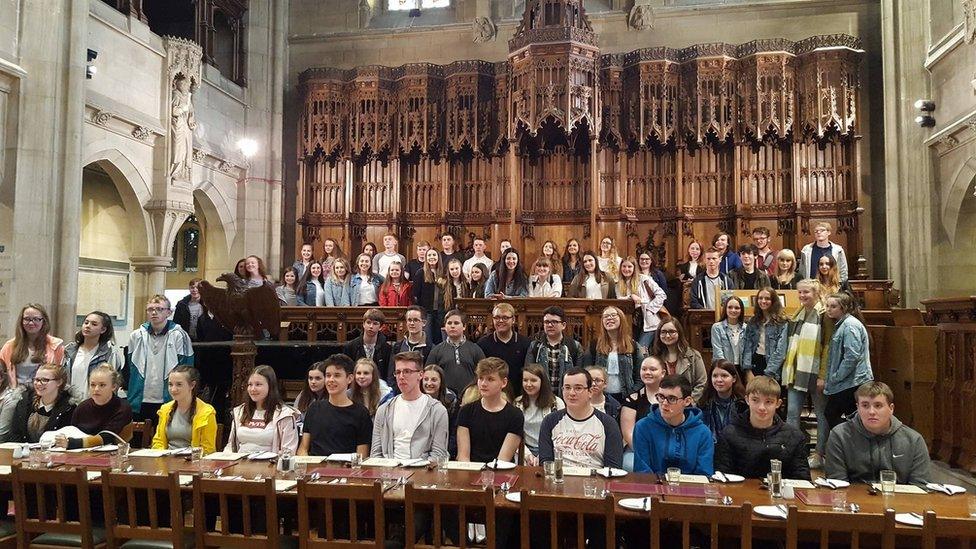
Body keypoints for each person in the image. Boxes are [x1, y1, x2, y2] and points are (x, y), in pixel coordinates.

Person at [766, 278, 833, 468]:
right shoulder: (797, 314)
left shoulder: (824, 315)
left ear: (816, 293)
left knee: (821, 415)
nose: (803, 296)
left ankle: (820, 454)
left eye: (807, 292)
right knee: (792, 413)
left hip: (815, 372)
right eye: (800, 292)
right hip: (797, 371)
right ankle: (793, 453)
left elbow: (827, 346)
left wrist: (822, 375)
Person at [825, 381, 930, 485]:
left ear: (891, 408)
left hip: (899, 500)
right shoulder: (840, 436)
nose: (871, 412)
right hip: (853, 500)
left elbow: (920, 488)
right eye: (865, 405)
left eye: (878, 406)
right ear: (858, 408)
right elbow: (837, 484)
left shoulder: (913, 440)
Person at [715, 376, 810, 480]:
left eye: (768, 402)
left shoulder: (794, 437)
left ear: (778, 404)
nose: (761, 407)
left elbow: (803, 481)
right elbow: (722, 478)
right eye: (755, 400)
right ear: (747, 400)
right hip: (739, 494)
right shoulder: (729, 434)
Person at [125, 295, 194, 422]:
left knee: (166, 438)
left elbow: (187, 369)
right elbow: (131, 366)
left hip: (169, 398)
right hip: (140, 398)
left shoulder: (179, 335)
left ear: (169, 312)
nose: (154, 312)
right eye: (150, 309)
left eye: (159, 309)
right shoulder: (136, 335)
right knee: (139, 439)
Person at [539, 367, 624, 468]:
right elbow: (546, 463)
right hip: (559, 479)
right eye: (567, 387)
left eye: (578, 388)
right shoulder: (549, 421)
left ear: (590, 392)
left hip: (595, 481)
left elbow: (613, 468)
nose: (571, 393)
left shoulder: (608, 423)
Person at [370, 351, 449, 460]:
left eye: (407, 371)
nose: (401, 377)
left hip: (422, 473)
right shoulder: (384, 410)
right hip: (389, 472)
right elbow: (376, 453)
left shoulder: (437, 410)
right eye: (398, 372)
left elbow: (438, 454)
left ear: (420, 375)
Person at [632, 375, 713, 475]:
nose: (664, 403)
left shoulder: (703, 433)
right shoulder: (643, 427)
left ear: (687, 401)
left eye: (672, 399)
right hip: (654, 487)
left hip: (690, 488)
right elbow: (642, 471)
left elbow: (704, 474)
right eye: (661, 397)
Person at [298, 354, 372, 458]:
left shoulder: (361, 413)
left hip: (345, 469)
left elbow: (361, 455)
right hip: (315, 469)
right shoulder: (314, 408)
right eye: (328, 375)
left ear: (350, 378)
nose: (331, 380)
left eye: (337, 375)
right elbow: (303, 449)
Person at [456, 357, 523, 463]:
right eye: (481, 378)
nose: (483, 383)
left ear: (503, 382)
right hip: (471, 471)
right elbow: (463, 457)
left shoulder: (515, 415)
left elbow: (503, 459)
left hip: (501, 472)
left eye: (490, 379)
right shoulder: (466, 411)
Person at [823, 292, 873, 429]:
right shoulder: (842, 324)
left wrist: (837, 376)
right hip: (847, 381)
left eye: (833, 306)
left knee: (832, 414)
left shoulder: (850, 326)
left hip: (852, 381)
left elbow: (852, 356)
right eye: (827, 306)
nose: (828, 309)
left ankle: (853, 442)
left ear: (843, 308)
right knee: (847, 416)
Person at [55, 363, 134, 449]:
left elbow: (107, 437)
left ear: (113, 386)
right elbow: (73, 431)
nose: (96, 389)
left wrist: (73, 443)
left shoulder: (122, 407)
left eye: (102, 385)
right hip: (81, 453)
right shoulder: (82, 407)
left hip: (114, 454)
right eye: (92, 385)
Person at [224, 365, 299, 454]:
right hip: (240, 465)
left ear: (270, 386)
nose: (252, 389)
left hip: (270, 465)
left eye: (258, 384)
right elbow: (230, 446)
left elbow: (288, 451)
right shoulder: (239, 411)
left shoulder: (285, 414)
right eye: (250, 384)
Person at [150, 365, 217, 454]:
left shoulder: (207, 412)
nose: (173, 389)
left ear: (192, 385)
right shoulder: (165, 409)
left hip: (193, 462)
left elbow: (208, 449)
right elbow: (158, 442)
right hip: (167, 460)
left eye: (179, 384)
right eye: (170, 384)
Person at [584, 305, 644, 403]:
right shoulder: (594, 346)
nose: (609, 318)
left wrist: (633, 392)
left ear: (621, 318)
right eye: (606, 316)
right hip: (600, 397)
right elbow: (585, 372)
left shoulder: (633, 346)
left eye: (613, 315)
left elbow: (640, 375)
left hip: (627, 397)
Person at [63, 311, 123, 401]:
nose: (88, 326)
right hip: (71, 403)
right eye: (86, 322)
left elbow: (112, 381)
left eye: (94, 324)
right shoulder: (70, 350)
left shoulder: (109, 353)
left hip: (95, 403)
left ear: (103, 329)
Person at [1, 304, 65, 387]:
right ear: (21, 321)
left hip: (44, 395)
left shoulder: (56, 346)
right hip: (15, 395)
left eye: (36, 319)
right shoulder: (9, 346)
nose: (31, 323)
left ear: (44, 321)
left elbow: (61, 376)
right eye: (27, 319)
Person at [10, 363, 74, 443]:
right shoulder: (24, 402)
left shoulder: (69, 408)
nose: (39, 384)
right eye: (36, 379)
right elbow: (15, 434)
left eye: (45, 380)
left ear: (59, 382)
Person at [525, 306, 582, 396]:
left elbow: (580, 376)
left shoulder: (574, 346)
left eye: (554, 322)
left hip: (566, 396)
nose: (550, 325)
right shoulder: (535, 346)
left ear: (563, 325)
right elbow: (529, 374)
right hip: (541, 397)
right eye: (547, 322)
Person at [620, 356, 665, 471]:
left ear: (663, 373)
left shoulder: (671, 399)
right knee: (629, 464)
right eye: (644, 369)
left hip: (667, 447)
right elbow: (628, 433)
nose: (647, 372)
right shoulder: (632, 399)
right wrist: (645, 454)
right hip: (637, 449)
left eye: (653, 369)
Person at [477, 303, 530, 397]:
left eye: (505, 318)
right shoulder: (483, 343)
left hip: (519, 395)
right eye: (497, 317)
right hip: (492, 395)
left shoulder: (525, 343)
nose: (500, 321)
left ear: (513, 320)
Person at [426, 310, 485, 395]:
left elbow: (483, 374)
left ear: (464, 326)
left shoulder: (475, 349)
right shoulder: (436, 351)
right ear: (445, 326)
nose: (452, 326)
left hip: (470, 397)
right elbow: (428, 375)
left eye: (456, 323)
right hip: (444, 397)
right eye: (449, 323)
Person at [514, 363, 564, 465]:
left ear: (542, 381)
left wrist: (543, 454)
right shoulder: (517, 403)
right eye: (525, 380)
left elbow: (561, 434)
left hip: (550, 450)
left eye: (533, 380)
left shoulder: (556, 403)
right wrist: (528, 456)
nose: (528, 384)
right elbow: (515, 434)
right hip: (523, 451)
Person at [617, 257, 667, 352]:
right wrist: (631, 296)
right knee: (630, 350)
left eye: (629, 266)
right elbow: (619, 299)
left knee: (640, 350)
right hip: (630, 323)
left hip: (648, 322)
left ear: (634, 267)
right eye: (624, 266)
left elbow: (661, 294)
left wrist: (649, 308)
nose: (626, 269)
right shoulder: (619, 283)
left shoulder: (644, 279)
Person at [650, 319, 707, 401]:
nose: (667, 336)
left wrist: (689, 402)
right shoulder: (656, 358)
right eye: (663, 332)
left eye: (671, 331)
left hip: (687, 405)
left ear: (679, 333)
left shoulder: (693, 356)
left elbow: (702, 383)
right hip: (663, 405)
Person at [741, 287, 789, 382]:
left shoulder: (782, 322)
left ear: (773, 301)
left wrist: (769, 373)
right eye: (760, 298)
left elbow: (780, 351)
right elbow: (747, 346)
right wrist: (748, 370)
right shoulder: (753, 321)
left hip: (772, 367)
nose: (763, 301)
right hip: (755, 363)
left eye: (767, 298)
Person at [697, 360, 746, 443]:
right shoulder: (703, 404)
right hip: (710, 449)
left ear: (734, 378)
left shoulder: (743, 405)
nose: (719, 380)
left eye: (724, 375)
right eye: (715, 376)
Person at [343, 308, 392, 381]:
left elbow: (388, 373)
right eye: (368, 322)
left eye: (375, 323)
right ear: (363, 324)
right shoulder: (351, 346)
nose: (371, 326)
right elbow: (347, 371)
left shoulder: (387, 348)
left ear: (381, 327)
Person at [422, 364, 459, 458]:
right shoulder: (416, 400)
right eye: (426, 379)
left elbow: (453, 433)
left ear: (441, 381)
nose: (429, 383)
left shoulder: (452, 401)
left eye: (434, 380)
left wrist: (446, 454)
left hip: (445, 451)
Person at [411, 248, 447, 345]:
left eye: (434, 255)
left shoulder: (443, 273)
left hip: (441, 311)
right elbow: (415, 295)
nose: (432, 257)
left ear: (438, 257)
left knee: (440, 339)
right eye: (429, 255)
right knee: (428, 339)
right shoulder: (420, 273)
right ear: (426, 258)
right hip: (427, 312)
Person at [710, 296, 746, 371]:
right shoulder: (717, 327)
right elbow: (718, 352)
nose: (733, 310)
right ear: (725, 309)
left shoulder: (746, 328)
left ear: (741, 310)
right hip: (724, 367)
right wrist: (726, 369)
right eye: (730, 307)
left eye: (737, 308)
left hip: (742, 368)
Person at [293, 361, 328, 432]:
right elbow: (295, 419)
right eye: (310, 378)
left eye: (318, 378)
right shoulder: (303, 394)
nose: (313, 382)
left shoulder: (332, 396)